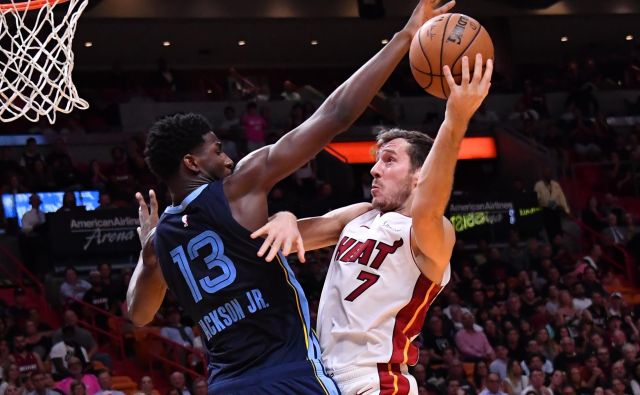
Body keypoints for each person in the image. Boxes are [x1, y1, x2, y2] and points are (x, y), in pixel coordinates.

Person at [128, 1, 456, 394]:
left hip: (225, 385)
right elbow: (335, 114)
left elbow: (139, 313)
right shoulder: (239, 187)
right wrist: (404, 37)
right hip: (290, 376)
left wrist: (147, 252)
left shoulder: (160, 240)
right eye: (216, 150)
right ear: (191, 163)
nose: (228, 157)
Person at [252, 52, 494, 392]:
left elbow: (427, 209)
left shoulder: (430, 234)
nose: (375, 170)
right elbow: (281, 235)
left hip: (376, 381)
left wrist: (453, 121)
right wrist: (285, 216)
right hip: (322, 380)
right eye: (377, 161)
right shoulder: (360, 215)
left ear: (419, 175)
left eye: (389, 160)